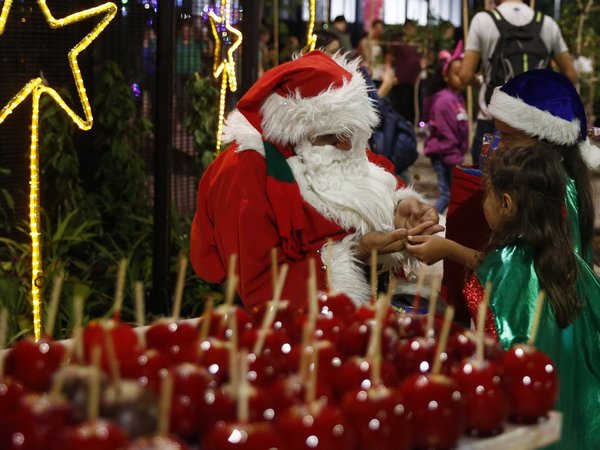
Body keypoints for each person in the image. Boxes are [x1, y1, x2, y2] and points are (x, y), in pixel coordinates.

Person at [190, 51, 443, 311]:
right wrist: (355, 253)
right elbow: (260, 286)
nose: (347, 145)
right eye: (334, 136)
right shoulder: (243, 174)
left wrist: (398, 207)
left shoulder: (338, 146)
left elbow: (373, 172)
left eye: (352, 133)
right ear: (296, 134)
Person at [406, 143, 600, 450]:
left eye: (487, 194)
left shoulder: (502, 267)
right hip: (575, 418)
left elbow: (494, 353)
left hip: (528, 427)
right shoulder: (571, 260)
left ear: (506, 204)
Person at [459, 0, 578, 165]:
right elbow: (571, 75)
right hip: (536, 128)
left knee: (488, 184)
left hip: (493, 123)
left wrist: (479, 80)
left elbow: (465, 75)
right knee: (534, 186)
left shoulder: (482, 20)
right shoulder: (548, 24)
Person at [422, 42, 468, 213]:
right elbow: (445, 131)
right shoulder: (443, 101)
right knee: (446, 194)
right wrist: (454, 156)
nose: (461, 78)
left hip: (452, 154)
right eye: (457, 74)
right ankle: (428, 220)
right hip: (445, 155)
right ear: (446, 76)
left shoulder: (456, 98)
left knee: (451, 194)